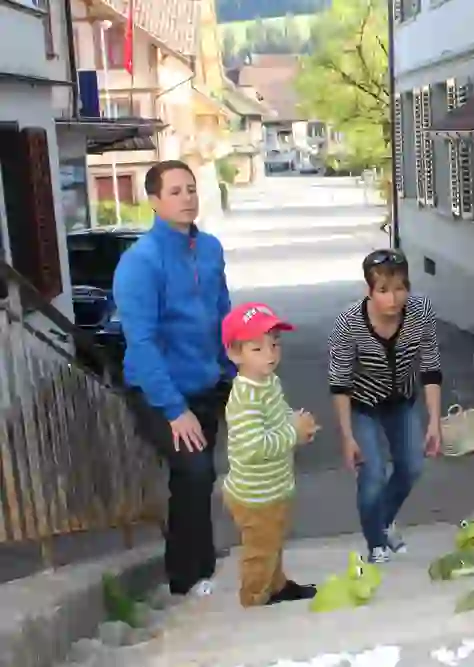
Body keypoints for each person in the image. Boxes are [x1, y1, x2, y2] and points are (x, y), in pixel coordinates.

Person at [114, 160, 234, 597]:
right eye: (175, 191)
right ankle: (186, 577)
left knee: (201, 478)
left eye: (191, 189)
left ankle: (202, 564)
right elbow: (141, 343)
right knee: (193, 471)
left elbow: (223, 316)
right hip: (159, 391)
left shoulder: (210, 249)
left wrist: (235, 374)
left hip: (206, 384)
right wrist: (174, 409)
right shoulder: (139, 263)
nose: (187, 198)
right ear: (154, 201)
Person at [328, 249, 443, 564]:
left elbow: (430, 367)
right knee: (373, 473)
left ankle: (385, 519)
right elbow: (339, 383)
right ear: (369, 291)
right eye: (383, 291)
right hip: (362, 404)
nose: (393, 298)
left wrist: (434, 421)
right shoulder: (348, 323)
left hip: (402, 401)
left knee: (412, 466)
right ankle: (376, 544)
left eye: (400, 288)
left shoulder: (421, 313)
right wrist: (347, 436)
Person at [220, 302, 320, 606]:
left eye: (275, 344)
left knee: (273, 543)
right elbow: (254, 447)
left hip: (274, 487)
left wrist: (294, 421)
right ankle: (254, 598)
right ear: (234, 354)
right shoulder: (245, 397)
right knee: (260, 550)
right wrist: (293, 433)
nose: (271, 354)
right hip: (255, 495)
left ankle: (277, 586)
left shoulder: (269, 382)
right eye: (257, 348)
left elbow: (277, 417)